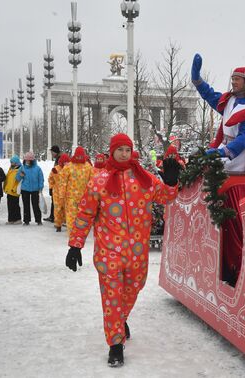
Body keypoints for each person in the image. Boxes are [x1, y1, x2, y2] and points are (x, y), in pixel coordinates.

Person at [65, 133, 182, 367]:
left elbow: (165, 197)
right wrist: (75, 245)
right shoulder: (99, 180)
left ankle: (120, 319)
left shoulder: (144, 178)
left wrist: (170, 182)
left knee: (134, 287)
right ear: (112, 151)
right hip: (109, 250)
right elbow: (85, 213)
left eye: (128, 150)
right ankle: (115, 344)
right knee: (112, 296)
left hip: (137, 251)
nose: (124, 154)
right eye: (120, 150)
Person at [191, 53, 245, 172]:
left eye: (237, 79)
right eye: (232, 79)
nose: (233, 82)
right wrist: (197, 80)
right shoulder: (228, 100)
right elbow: (209, 94)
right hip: (222, 152)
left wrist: (221, 152)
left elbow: (244, 138)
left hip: (237, 159)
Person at [56, 146, 93, 233]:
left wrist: (92, 194)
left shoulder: (86, 167)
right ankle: (75, 233)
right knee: (75, 215)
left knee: (77, 215)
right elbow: (63, 181)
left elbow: (92, 181)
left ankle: (77, 232)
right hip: (74, 197)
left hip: (78, 197)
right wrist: (62, 194)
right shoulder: (71, 166)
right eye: (78, 156)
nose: (79, 158)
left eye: (81, 156)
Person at [16, 151, 45, 225]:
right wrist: (20, 176)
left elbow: (41, 178)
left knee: (35, 205)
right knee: (26, 205)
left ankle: (38, 220)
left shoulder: (37, 168)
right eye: (26, 160)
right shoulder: (22, 168)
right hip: (25, 189)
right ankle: (26, 220)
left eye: (29, 160)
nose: (27, 161)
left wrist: (40, 186)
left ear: (32, 160)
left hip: (35, 189)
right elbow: (17, 178)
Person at [50, 154, 71, 232]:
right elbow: (50, 179)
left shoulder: (70, 169)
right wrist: (51, 187)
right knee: (58, 208)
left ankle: (65, 221)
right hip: (57, 192)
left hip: (67, 192)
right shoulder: (55, 169)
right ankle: (58, 224)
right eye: (64, 162)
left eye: (67, 162)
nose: (65, 164)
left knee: (66, 208)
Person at [44, 145, 62, 223]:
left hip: (58, 184)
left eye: (52, 152)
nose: (51, 154)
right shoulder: (58, 158)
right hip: (56, 183)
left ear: (55, 152)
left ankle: (54, 217)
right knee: (54, 201)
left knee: (55, 201)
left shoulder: (59, 159)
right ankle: (53, 216)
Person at [3, 155, 22, 225]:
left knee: (15, 205)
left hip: (15, 190)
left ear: (16, 162)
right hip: (9, 190)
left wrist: (15, 188)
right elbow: (7, 179)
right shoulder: (10, 169)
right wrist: (5, 187)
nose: (11, 163)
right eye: (11, 162)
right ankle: (11, 219)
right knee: (10, 205)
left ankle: (18, 218)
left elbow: (19, 181)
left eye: (12, 162)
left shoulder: (20, 169)